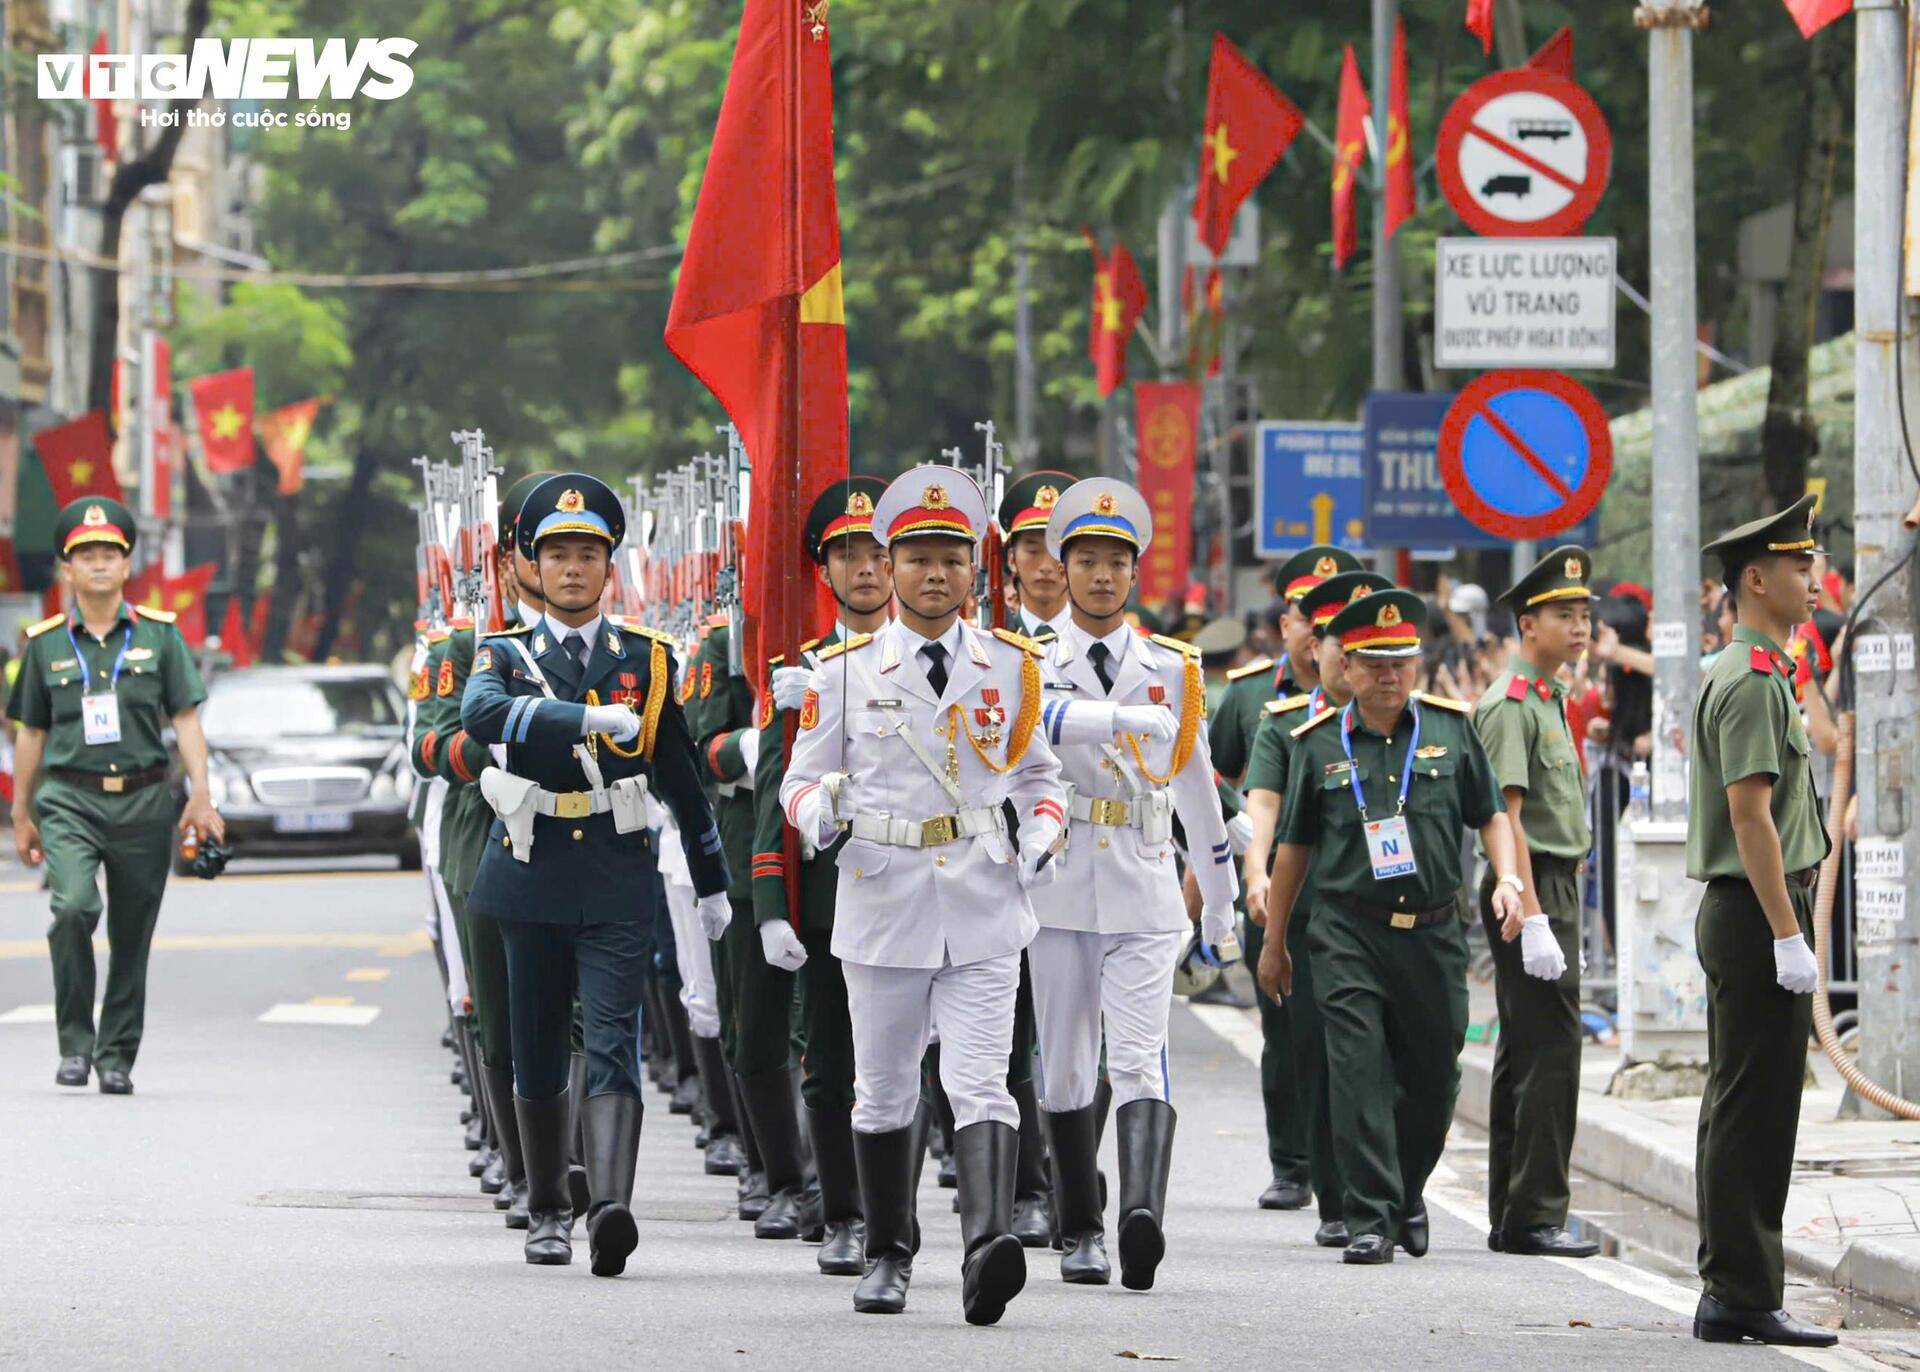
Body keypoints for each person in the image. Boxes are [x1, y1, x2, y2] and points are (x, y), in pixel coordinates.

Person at [779, 465, 1064, 1324]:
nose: (933, 574)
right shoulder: (842, 673)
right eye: (916, 559)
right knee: (886, 1089)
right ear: (890, 566)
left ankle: (986, 1249)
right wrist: (817, 809)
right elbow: (795, 785)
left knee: (983, 1084)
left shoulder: (1011, 667)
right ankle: (889, 1251)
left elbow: (1040, 776)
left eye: (949, 558)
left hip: (982, 897)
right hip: (883, 896)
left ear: (975, 571)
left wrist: (1045, 829)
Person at [461, 473, 731, 1277]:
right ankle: (548, 1208)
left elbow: (680, 774)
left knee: (614, 1039)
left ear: (610, 566)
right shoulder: (505, 654)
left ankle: (610, 1205)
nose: (572, 568)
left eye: (588, 554)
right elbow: (478, 716)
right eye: (556, 554)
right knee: (537, 1045)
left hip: (616, 871)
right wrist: (581, 718)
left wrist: (713, 879)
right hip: (529, 867)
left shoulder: (646, 658)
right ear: (531, 567)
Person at [1255, 589, 1523, 1264]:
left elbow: (1491, 813)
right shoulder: (1315, 745)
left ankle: (1407, 1189)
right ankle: (1370, 1214)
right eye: (1373, 662)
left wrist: (1510, 878)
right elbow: (1293, 851)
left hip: (1433, 932)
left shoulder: (1450, 729)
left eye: (1401, 662)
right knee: (1356, 1068)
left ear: (1417, 664)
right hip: (1347, 930)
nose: (1388, 676)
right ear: (1346, 668)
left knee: (1435, 1075)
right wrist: (1275, 941)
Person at [1024, 478, 1238, 1291]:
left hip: (1145, 881)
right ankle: (1081, 1228)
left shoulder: (1173, 668)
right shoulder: (1031, 662)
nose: (1101, 576)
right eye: (1086, 561)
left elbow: (1196, 788)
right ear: (1062, 567)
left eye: (1116, 562)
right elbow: (1029, 730)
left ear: (1135, 572)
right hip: (1061, 883)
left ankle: (1140, 1213)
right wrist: (1116, 721)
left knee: (1142, 1055)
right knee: (1069, 1066)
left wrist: (1218, 896)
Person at [7, 496, 224, 1096]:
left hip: (144, 801)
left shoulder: (160, 635)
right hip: (69, 801)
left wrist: (200, 796)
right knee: (73, 909)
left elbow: (185, 719)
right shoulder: (45, 643)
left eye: (110, 553)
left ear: (127, 566)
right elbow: (30, 732)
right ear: (67, 570)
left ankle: (116, 1055)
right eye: (86, 555)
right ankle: (75, 1045)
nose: (99, 564)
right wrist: (21, 812)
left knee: (132, 933)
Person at [1686, 495, 1836, 1348]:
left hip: (1757, 909)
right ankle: (1741, 1291)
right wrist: (1787, 933)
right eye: (1797, 564)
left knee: (1747, 1101)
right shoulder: (1747, 680)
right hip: (1754, 912)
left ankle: (1736, 1283)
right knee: (1753, 1106)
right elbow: (1751, 818)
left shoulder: (1765, 671)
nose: (1811, 578)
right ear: (1755, 578)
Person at [752, 476, 892, 1277]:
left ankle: (901, 1219)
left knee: (917, 1067)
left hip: (929, 887)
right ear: (823, 571)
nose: (867, 568)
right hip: (839, 896)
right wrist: (773, 905)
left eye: (880, 552)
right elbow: (777, 791)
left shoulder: (952, 658)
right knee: (833, 1064)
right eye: (848, 554)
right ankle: (844, 1215)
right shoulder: (801, 670)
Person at [1242, 568, 1391, 1249]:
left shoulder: (1410, 725)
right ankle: (1333, 1192)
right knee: (1317, 1051)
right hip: (1310, 915)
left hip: (1391, 914)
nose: (1341, 656)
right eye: (1333, 641)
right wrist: (1254, 874)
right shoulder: (1290, 728)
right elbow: (1263, 807)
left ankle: (1390, 1188)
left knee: (1393, 1060)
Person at [1473, 547, 1601, 1260]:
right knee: (1551, 1048)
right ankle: (1535, 1214)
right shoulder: (1511, 704)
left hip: (1550, 879)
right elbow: (1507, 818)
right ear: (1528, 623)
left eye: (1584, 614)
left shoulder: (1547, 697)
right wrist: (1534, 910)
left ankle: (1514, 1211)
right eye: (1563, 614)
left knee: (1526, 1047)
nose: (1578, 627)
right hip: (1530, 879)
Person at [687, 595, 814, 1242]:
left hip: (838, 857)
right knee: (753, 1025)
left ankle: (824, 1181)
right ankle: (777, 1172)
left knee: (829, 1031)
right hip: (746, 848)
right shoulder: (728, 640)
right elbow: (696, 746)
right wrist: (757, 742)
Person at [999, 470, 1078, 642]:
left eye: (1056, 552)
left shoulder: (1095, 643)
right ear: (1012, 560)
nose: (1045, 567)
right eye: (1033, 551)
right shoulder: (993, 641)